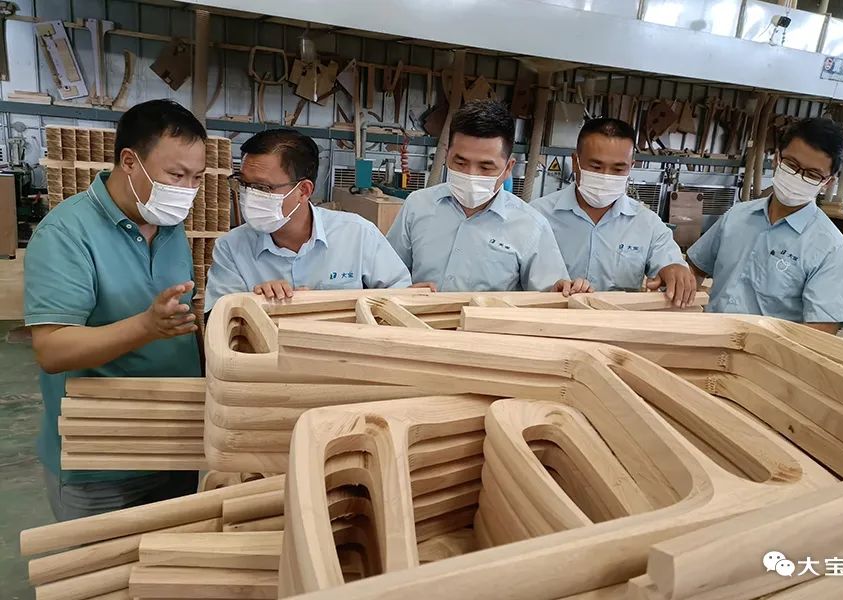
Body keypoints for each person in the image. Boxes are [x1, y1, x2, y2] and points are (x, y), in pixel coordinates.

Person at [24, 99, 206, 520]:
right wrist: (146, 326)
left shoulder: (169, 225)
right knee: (103, 560)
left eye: (196, 177)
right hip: (101, 455)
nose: (187, 189)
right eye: (176, 175)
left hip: (174, 445)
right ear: (129, 161)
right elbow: (51, 349)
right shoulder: (67, 233)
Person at [386, 100, 589, 295]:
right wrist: (403, 292)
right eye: (460, 163)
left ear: (508, 168)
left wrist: (562, 290)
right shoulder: (417, 206)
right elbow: (388, 277)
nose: (471, 174)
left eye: (485, 167)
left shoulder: (531, 226)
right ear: (446, 155)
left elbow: (549, 296)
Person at [204, 129, 412, 310]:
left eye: (262, 188)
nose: (249, 196)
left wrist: (327, 306)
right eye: (243, 184)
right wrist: (255, 304)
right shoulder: (231, 248)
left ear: (303, 191)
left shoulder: (358, 234)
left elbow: (401, 300)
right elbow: (220, 322)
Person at [687, 117, 843, 333]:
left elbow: (821, 330)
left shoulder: (830, 248)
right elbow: (696, 269)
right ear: (776, 159)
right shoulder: (737, 216)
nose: (798, 177)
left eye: (812, 175)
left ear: (827, 182)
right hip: (708, 340)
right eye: (791, 165)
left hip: (767, 352)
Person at [531, 118, 696, 307]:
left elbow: (670, 262)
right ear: (575, 162)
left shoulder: (648, 225)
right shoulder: (537, 216)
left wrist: (675, 270)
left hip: (617, 322)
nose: (606, 176)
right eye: (596, 167)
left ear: (631, 167)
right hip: (549, 322)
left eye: (618, 169)